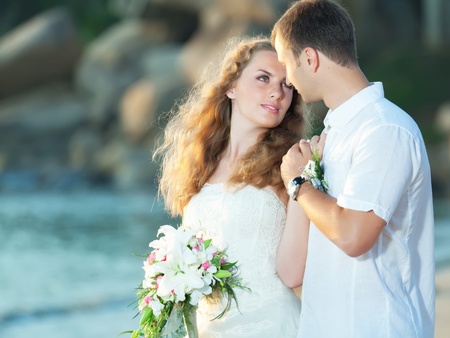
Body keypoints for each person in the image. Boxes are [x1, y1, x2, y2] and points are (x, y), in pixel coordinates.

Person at [271, 0, 436, 337]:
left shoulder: (385, 129)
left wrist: (299, 182)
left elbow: (353, 235)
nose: (288, 80)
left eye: (287, 64)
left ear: (309, 59)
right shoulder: (335, 134)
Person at [153, 36, 308, 337]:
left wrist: (302, 182)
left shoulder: (291, 164)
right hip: (208, 329)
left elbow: (292, 273)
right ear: (231, 86)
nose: (277, 92)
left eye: (287, 85)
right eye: (263, 78)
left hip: (271, 327)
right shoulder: (198, 164)